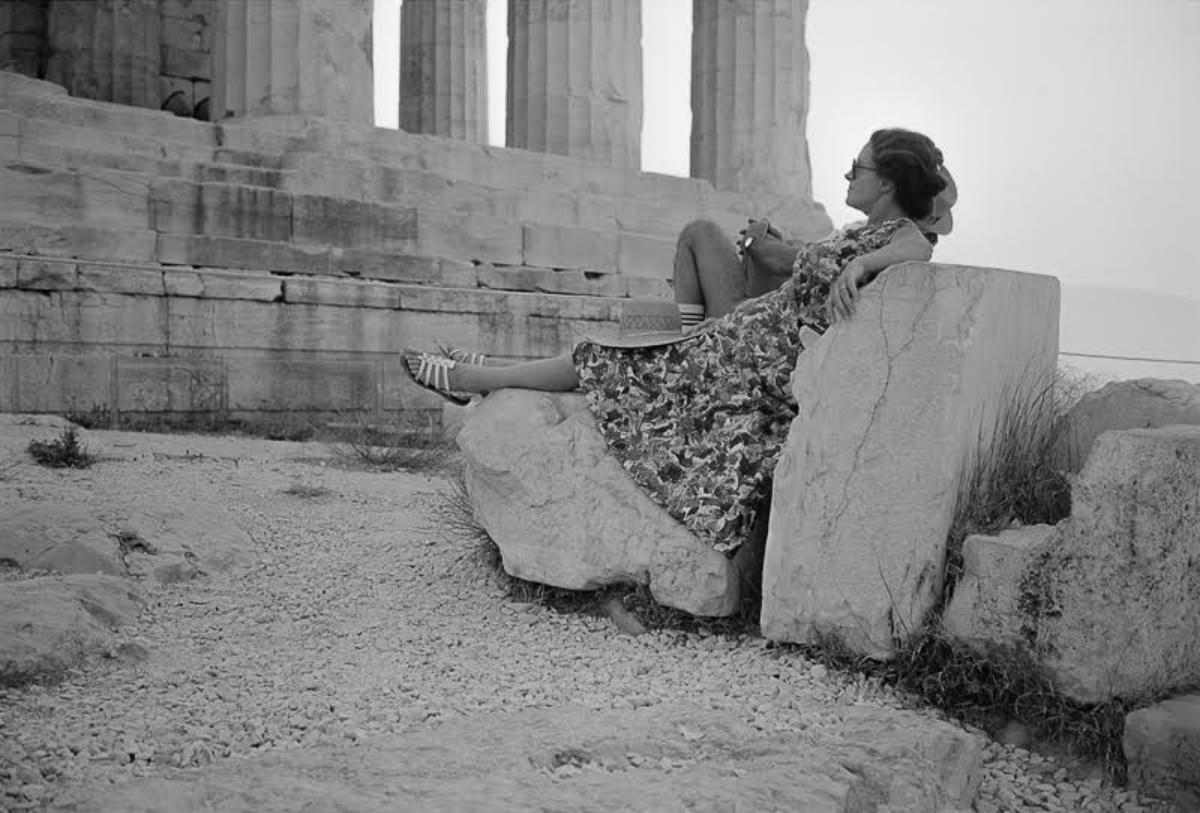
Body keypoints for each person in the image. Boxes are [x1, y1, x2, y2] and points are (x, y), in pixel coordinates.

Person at [404, 128, 954, 556]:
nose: (846, 176)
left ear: (885, 182)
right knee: (615, 357)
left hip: (756, 363)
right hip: (745, 340)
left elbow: (919, 249)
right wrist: (820, 253)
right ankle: (485, 370)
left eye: (856, 168)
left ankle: (473, 379)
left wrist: (863, 264)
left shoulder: (896, 236)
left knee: (599, 357)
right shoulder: (851, 232)